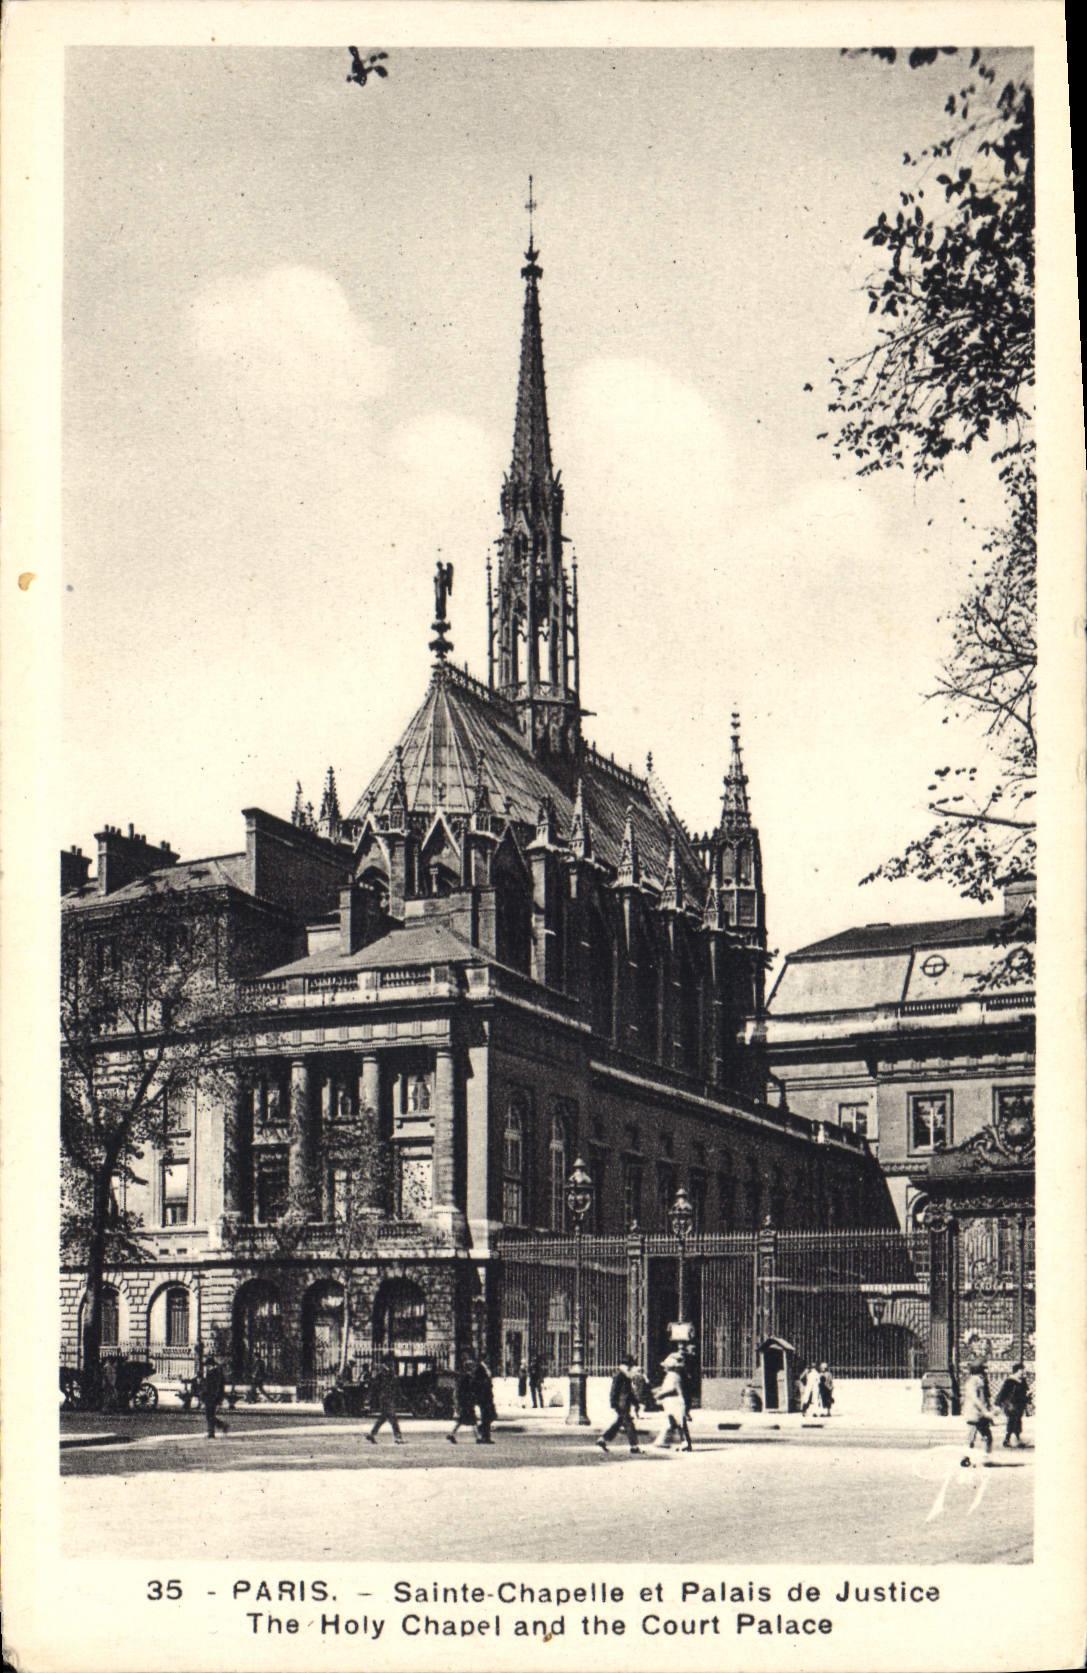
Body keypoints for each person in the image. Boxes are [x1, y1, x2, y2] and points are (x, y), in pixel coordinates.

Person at [597, 1353, 642, 1454]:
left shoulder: (625, 1375)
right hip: (621, 1404)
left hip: (623, 1403)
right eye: (630, 1365)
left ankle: (603, 1439)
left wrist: (635, 1403)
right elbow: (614, 1390)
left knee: (619, 1423)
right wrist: (613, 1402)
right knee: (629, 1423)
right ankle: (634, 1446)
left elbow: (629, 1392)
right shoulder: (619, 1375)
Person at [651, 1353, 690, 1450]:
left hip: (676, 1402)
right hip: (673, 1402)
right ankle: (664, 1441)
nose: (664, 1368)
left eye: (666, 1366)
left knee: (679, 1423)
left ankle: (685, 1443)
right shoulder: (673, 1375)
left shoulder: (673, 1375)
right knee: (673, 1423)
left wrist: (659, 1395)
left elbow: (671, 1389)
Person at [960, 1361, 995, 1463]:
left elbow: (984, 1398)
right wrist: (985, 1410)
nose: (985, 1371)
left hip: (978, 1413)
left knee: (980, 1436)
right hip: (975, 1413)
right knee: (977, 1436)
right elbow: (975, 1398)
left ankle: (970, 1457)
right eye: (983, 1369)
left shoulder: (978, 1380)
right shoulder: (975, 1381)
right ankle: (978, 1458)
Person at [366, 1355, 404, 1445]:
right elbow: (378, 1385)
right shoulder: (386, 1373)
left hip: (386, 1397)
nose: (392, 1364)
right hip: (386, 1398)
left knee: (383, 1418)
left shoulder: (385, 1373)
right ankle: (398, 1437)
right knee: (393, 1418)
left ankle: (372, 1434)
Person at [994, 1362, 1030, 1447]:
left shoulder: (1023, 1381)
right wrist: (998, 1404)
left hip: (1020, 1404)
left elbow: (1025, 1391)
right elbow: (1003, 1393)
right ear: (1016, 1371)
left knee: (1017, 1421)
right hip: (1011, 1405)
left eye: (1023, 1370)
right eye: (1021, 1371)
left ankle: (1012, 1440)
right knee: (1012, 1421)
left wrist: (1028, 1398)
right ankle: (1011, 1440)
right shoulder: (1010, 1381)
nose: (1023, 1372)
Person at [447, 1362, 479, 1444]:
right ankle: (478, 1437)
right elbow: (468, 1391)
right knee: (472, 1420)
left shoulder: (463, 1377)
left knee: (462, 1420)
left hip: (465, 1402)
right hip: (467, 1403)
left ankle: (452, 1434)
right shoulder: (467, 1378)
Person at [202, 1355, 229, 1439]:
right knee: (210, 1415)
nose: (207, 1367)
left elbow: (217, 1386)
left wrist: (216, 1397)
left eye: (208, 1365)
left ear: (211, 1365)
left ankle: (213, 1431)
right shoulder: (215, 1372)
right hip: (211, 1396)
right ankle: (219, 1427)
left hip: (212, 1396)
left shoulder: (215, 1373)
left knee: (209, 1415)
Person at [472, 1359, 497, 1444]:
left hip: (487, 1398)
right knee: (487, 1417)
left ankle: (482, 1431)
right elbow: (480, 1386)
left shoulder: (484, 1371)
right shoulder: (481, 1372)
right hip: (484, 1399)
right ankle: (485, 1436)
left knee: (490, 1416)